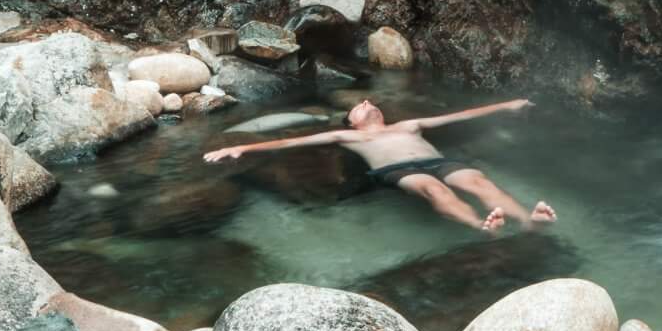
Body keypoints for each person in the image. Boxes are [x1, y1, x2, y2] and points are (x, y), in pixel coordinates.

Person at [203, 98, 558, 233]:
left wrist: (506, 106)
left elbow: (460, 113)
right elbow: (292, 142)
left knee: (479, 180)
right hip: (399, 171)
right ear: (352, 123)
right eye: (359, 105)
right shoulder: (349, 138)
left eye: (370, 102)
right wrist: (243, 147)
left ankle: (528, 221)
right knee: (433, 189)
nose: (367, 103)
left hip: (437, 159)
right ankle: (479, 225)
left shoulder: (408, 125)